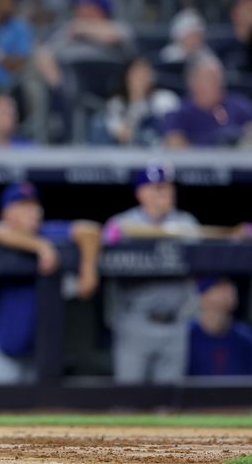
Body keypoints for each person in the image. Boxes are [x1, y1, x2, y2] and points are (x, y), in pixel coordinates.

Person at [0, 182, 100, 384]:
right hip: (2, 347)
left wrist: (88, 270)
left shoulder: (48, 231)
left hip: (39, 350)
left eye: (34, 204)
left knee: (39, 411)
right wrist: (41, 246)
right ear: (7, 212)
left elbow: (90, 230)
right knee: (1, 410)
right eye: (23, 205)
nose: (33, 211)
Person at [102, 162, 199, 384]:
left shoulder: (186, 224)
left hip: (176, 322)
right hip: (135, 320)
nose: (166, 193)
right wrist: (109, 239)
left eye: (168, 187)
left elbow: (209, 260)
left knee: (169, 404)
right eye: (158, 188)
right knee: (129, 399)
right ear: (141, 193)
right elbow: (103, 248)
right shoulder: (122, 224)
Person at [162, 55, 252, 148]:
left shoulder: (239, 105)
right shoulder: (179, 114)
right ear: (193, 83)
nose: (218, 83)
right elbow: (175, 148)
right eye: (210, 78)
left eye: (219, 78)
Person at [188, 276, 252, 376]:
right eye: (219, 285)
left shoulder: (244, 336)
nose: (230, 289)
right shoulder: (188, 335)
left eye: (230, 284)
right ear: (203, 296)